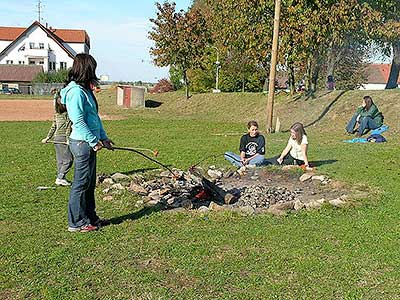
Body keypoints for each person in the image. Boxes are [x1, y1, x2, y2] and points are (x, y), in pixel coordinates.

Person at [60, 53, 114, 233]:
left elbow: (94, 118)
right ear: (85, 69)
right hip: (82, 143)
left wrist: (103, 137)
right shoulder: (75, 92)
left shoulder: (85, 90)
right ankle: (76, 223)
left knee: (89, 184)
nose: (94, 73)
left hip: (90, 143)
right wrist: (93, 141)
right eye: (92, 69)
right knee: (80, 184)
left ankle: (90, 217)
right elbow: (79, 121)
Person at [41, 90, 73, 186]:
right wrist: (68, 139)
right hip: (63, 138)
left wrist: (48, 137)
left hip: (56, 138)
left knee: (60, 160)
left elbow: (53, 127)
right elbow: (68, 128)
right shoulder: (67, 115)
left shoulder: (56, 114)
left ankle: (61, 178)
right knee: (68, 160)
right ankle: (60, 177)